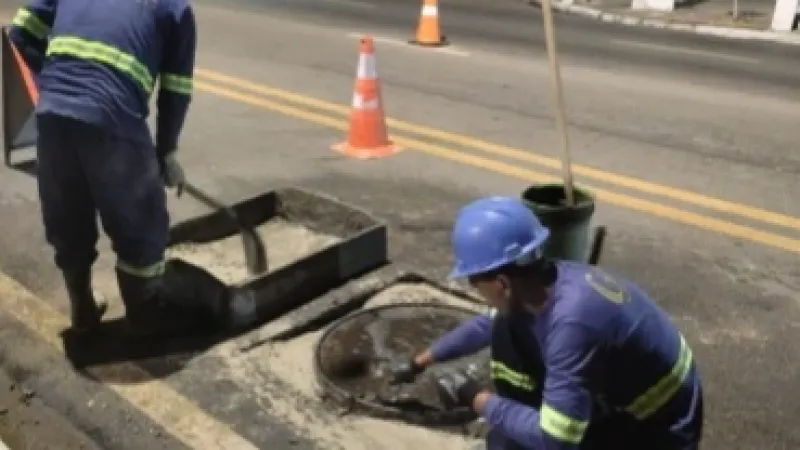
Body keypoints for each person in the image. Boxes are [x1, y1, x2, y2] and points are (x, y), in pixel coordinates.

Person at [391, 196, 704, 450]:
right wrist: (423, 360)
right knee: (506, 436)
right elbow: (487, 325)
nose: (474, 287)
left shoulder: (572, 325)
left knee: (516, 439)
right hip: (625, 392)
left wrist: (478, 399)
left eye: (473, 280)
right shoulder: (544, 283)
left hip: (658, 424)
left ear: (501, 283)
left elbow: (558, 439)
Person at [9, 0, 196, 333]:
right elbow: (175, 90)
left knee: (68, 215)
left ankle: (82, 309)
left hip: (52, 114)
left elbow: (20, 32)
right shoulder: (174, 8)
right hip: (111, 116)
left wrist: (56, 84)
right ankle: (143, 318)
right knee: (141, 220)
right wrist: (166, 152)